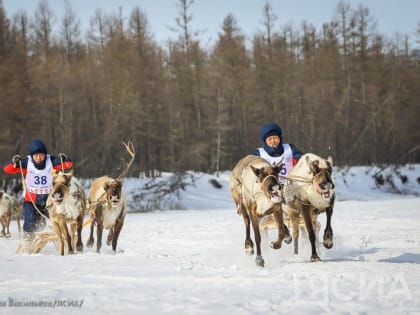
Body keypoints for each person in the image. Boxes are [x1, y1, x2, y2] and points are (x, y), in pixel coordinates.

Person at [3, 140, 73, 253]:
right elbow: (7, 169)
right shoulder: (26, 162)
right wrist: (14, 162)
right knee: (29, 222)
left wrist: (64, 158)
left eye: (41, 155)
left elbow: (68, 164)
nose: (39, 157)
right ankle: (27, 246)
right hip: (32, 199)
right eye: (36, 155)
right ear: (32, 155)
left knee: (59, 220)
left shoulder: (52, 161)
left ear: (45, 154)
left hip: (50, 199)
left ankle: (66, 242)